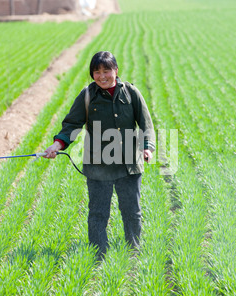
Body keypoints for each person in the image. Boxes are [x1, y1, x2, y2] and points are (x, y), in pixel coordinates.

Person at [44, 51, 155, 257]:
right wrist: (57, 145)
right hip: (98, 165)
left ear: (116, 71)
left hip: (129, 163)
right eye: (97, 72)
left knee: (132, 211)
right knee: (98, 213)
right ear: (92, 74)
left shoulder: (130, 92)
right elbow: (72, 125)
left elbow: (146, 123)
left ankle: (133, 251)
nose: (102, 76)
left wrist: (147, 147)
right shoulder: (87, 96)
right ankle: (98, 255)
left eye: (106, 71)